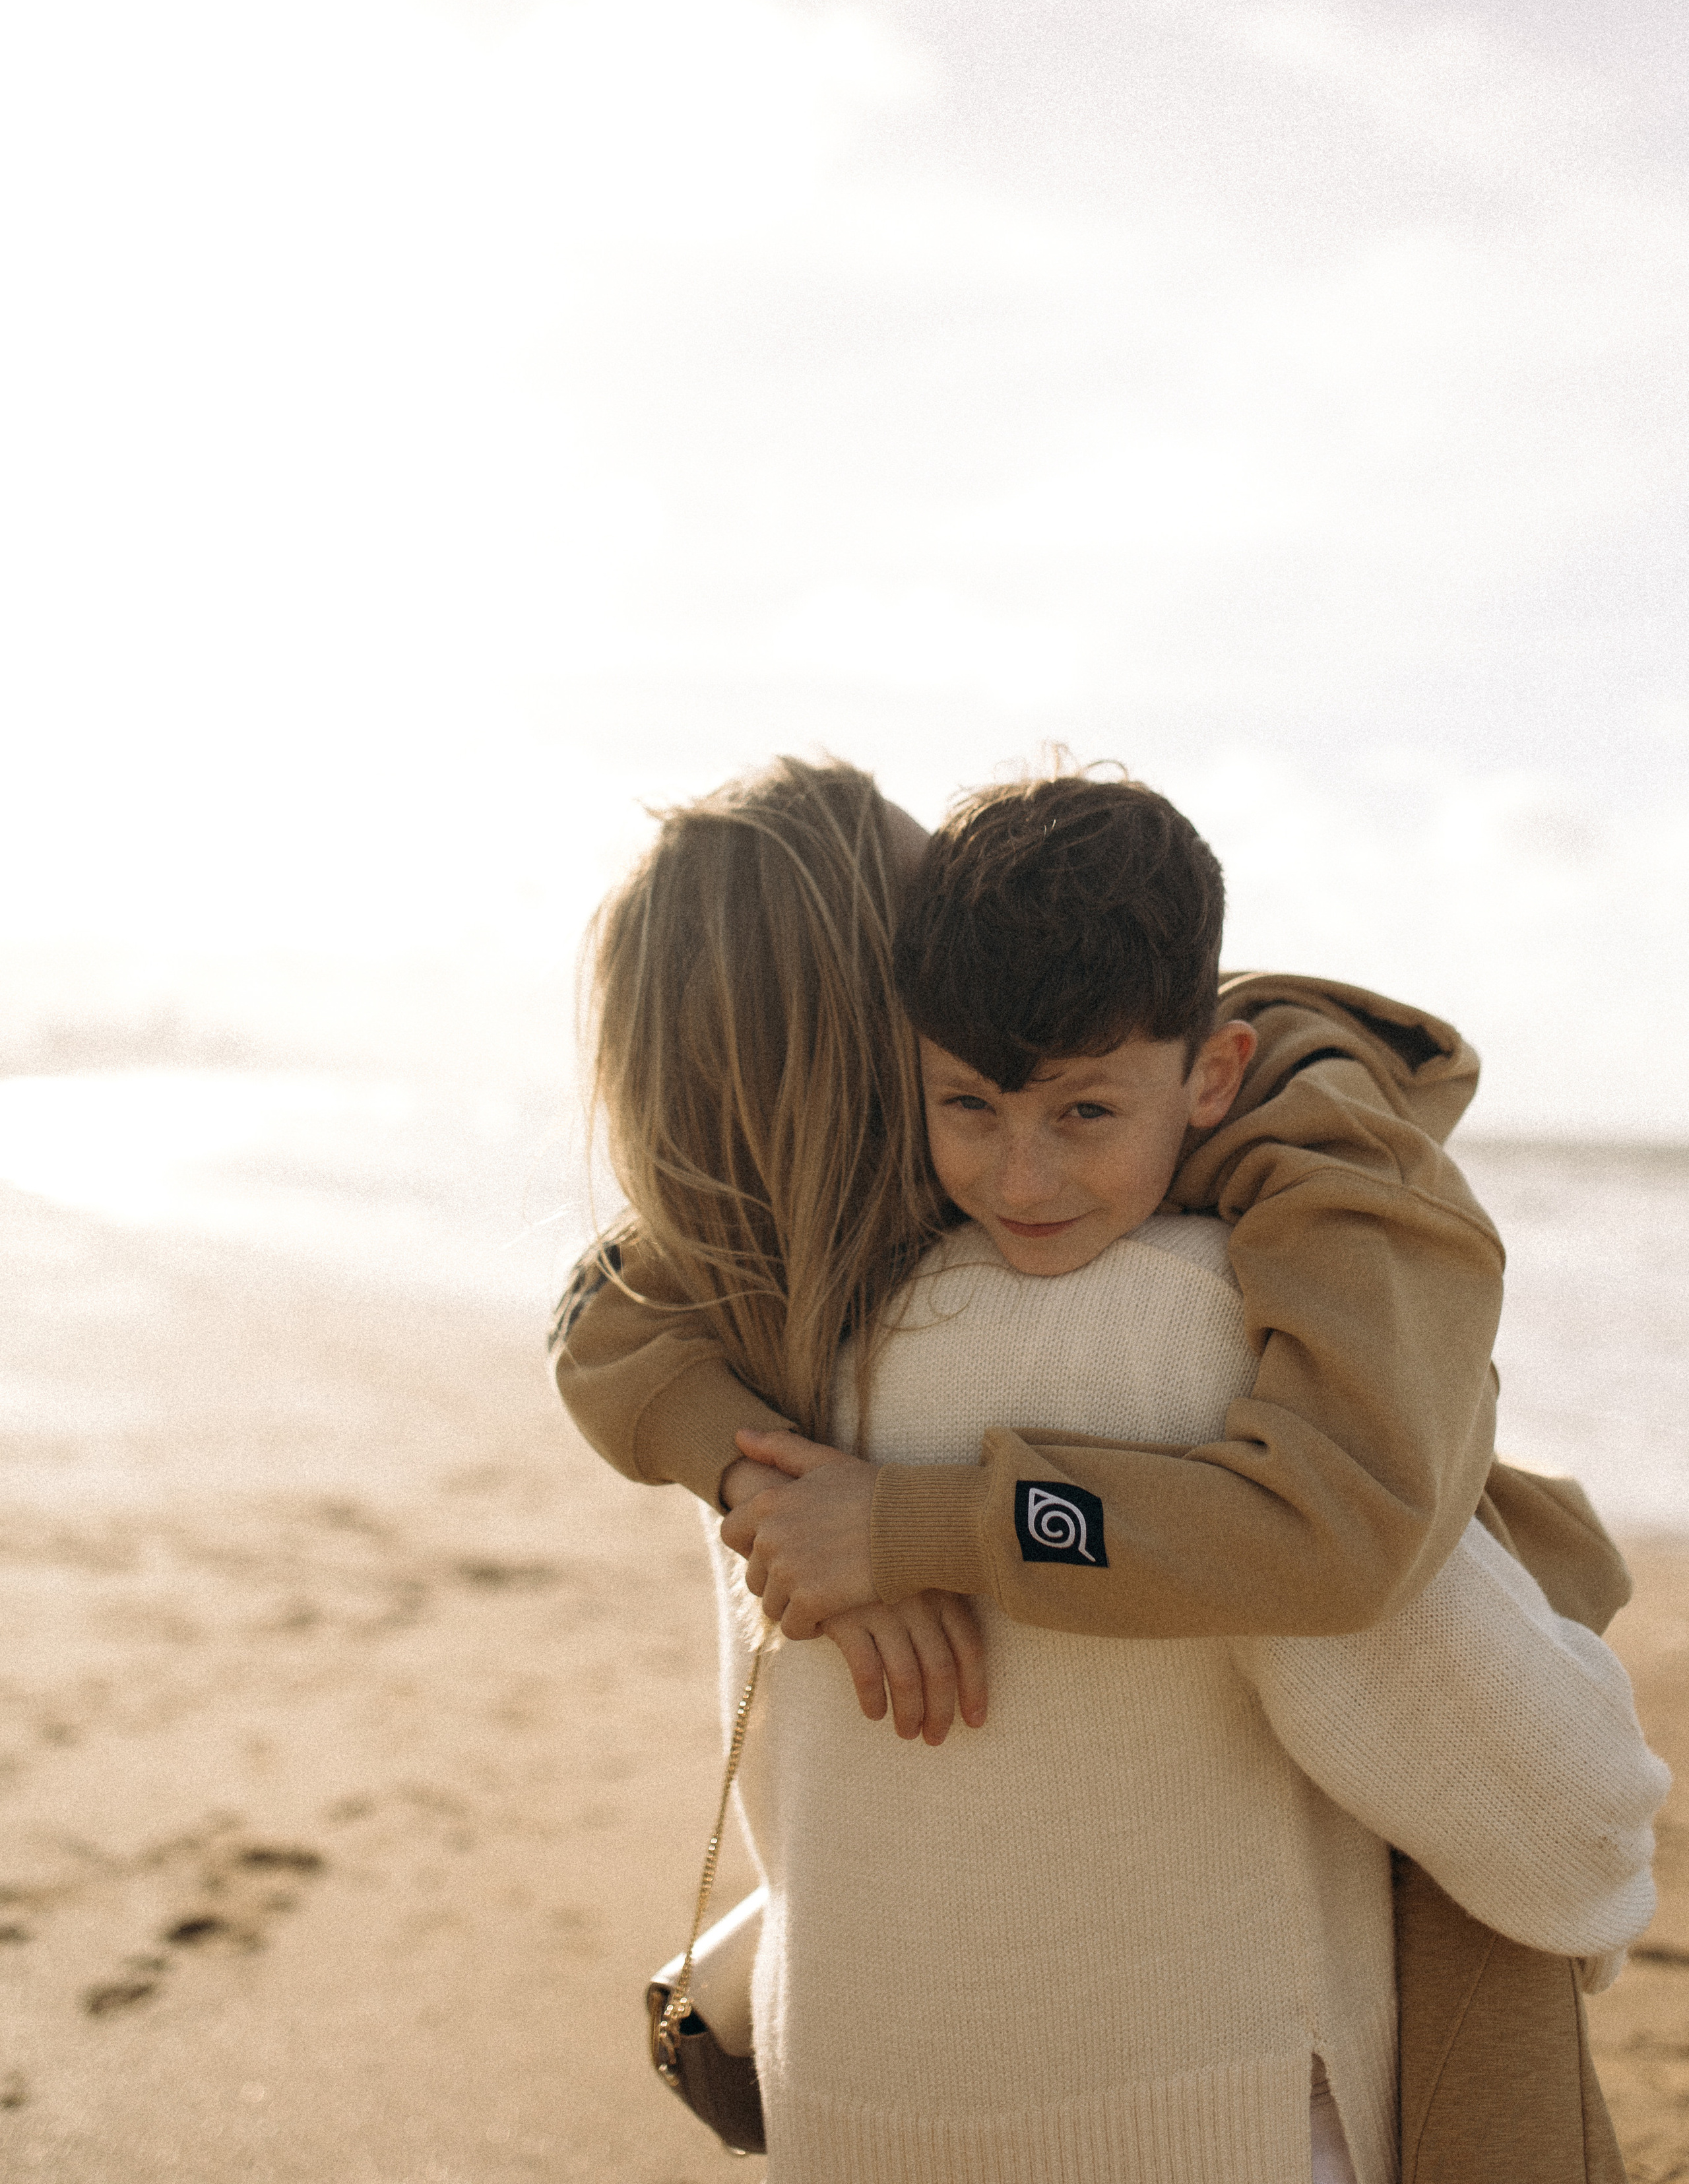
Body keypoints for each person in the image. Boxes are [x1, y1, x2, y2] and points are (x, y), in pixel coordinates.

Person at [557, 757, 1658, 2179]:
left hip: (844, 2106)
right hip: (1202, 2122)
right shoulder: (1182, 1330)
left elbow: (588, 1313)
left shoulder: (736, 1360)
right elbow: (1551, 1811)